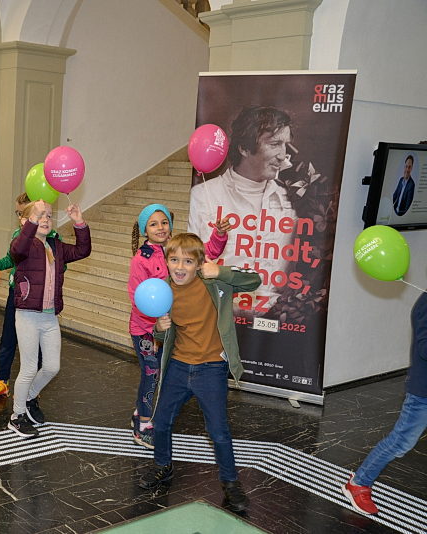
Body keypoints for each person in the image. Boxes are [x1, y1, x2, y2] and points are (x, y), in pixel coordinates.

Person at [137, 233, 261, 513]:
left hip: (211, 369)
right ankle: (162, 466)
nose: (180, 267)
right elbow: (162, 333)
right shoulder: (164, 290)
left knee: (218, 431)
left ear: (199, 263)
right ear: (166, 261)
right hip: (178, 366)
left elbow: (254, 281)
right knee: (161, 422)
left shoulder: (214, 282)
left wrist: (221, 271)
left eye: (188, 261)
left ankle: (230, 483)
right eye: (174, 260)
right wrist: (159, 328)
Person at [127, 204, 229, 448]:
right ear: (145, 230)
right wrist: (155, 330)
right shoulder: (141, 259)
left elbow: (207, 252)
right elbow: (137, 297)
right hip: (146, 331)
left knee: (164, 376)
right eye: (153, 224)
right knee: (152, 375)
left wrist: (219, 234)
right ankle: (143, 426)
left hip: (173, 328)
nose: (160, 227)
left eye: (164, 222)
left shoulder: (177, 247)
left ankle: (141, 411)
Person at [188, 106, 296, 310]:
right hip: (217, 311)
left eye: (286, 145)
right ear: (244, 148)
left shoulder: (291, 202)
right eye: (274, 144)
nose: (283, 156)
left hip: (274, 320)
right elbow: (190, 259)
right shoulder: (202, 196)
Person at [6, 199, 90, 437]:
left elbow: (82, 251)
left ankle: (29, 397)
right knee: (29, 367)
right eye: (39, 215)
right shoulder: (24, 245)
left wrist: (79, 223)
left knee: (52, 366)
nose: (45, 219)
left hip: (50, 317)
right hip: (28, 315)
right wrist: (31, 223)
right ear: (25, 221)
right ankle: (17, 416)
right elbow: (16, 250)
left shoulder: (56, 246)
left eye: (49, 216)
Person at [343, 291, 426, 515]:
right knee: (401, 442)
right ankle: (358, 483)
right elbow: (425, 348)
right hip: (424, 392)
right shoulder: (426, 303)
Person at [0, 192, 54, 400]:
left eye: (22, 213)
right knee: (9, 336)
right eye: (18, 214)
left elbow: (61, 263)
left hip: (39, 299)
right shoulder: (18, 234)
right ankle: (2, 380)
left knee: (38, 343)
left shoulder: (51, 238)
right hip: (16, 294)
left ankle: (32, 386)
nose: (20, 218)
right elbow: (11, 258)